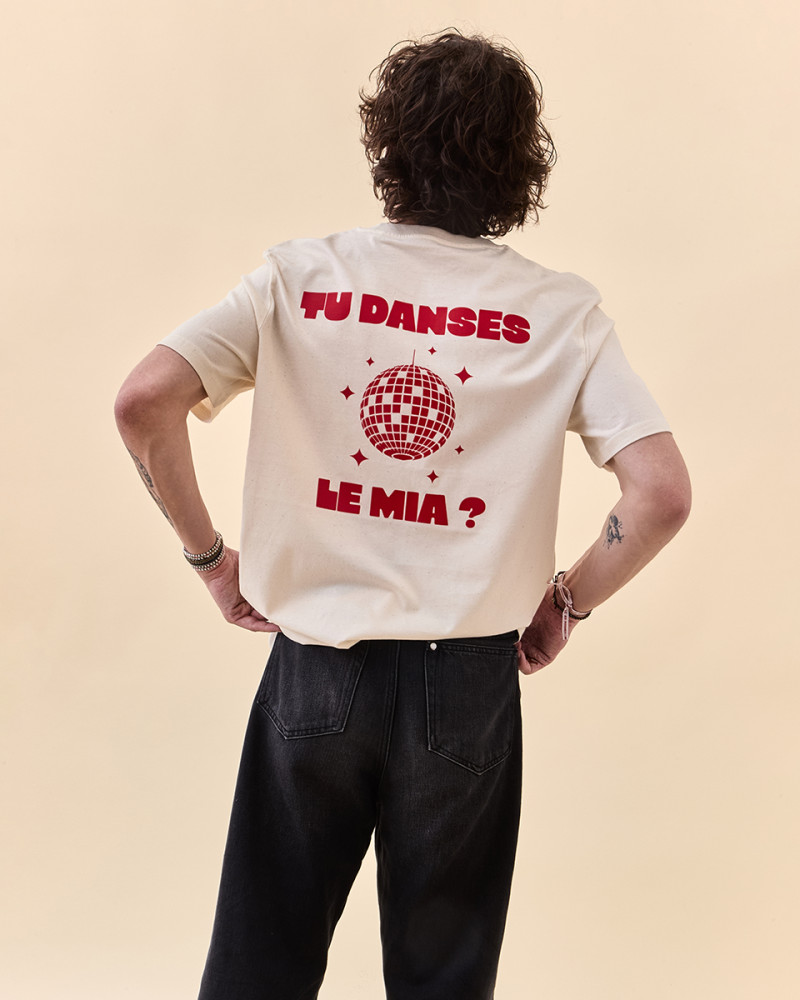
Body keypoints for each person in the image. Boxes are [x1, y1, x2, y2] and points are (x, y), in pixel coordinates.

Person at [114, 30, 691, 1000]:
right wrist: (565, 603)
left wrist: (211, 560)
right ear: (520, 164)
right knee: (441, 982)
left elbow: (143, 400)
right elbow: (661, 493)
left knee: (259, 964)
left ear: (388, 146)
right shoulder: (561, 313)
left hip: (315, 667)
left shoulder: (298, 278)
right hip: (465, 684)